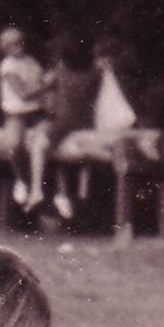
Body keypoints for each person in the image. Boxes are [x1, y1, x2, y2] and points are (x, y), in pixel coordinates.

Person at [38, 39, 98, 224]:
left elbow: (44, 83)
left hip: (64, 123)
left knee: (41, 147)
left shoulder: (60, 72)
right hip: (87, 123)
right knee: (64, 159)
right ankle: (71, 193)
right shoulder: (95, 74)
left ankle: (40, 191)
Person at [0, 28, 51, 212]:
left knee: (44, 142)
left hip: (36, 113)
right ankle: (21, 180)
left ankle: (38, 190)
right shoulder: (7, 66)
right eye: (13, 44)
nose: (19, 46)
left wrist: (45, 85)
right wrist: (45, 86)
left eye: (21, 42)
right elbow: (23, 94)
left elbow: (42, 84)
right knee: (15, 144)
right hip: (16, 113)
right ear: (6, 48)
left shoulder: (31, 62)